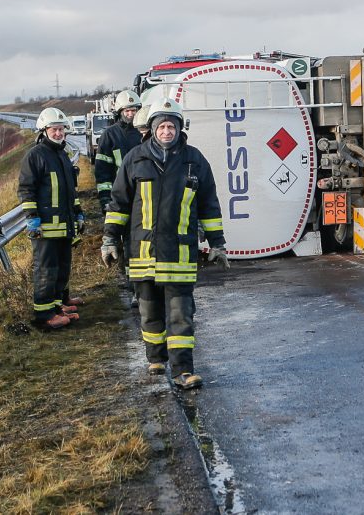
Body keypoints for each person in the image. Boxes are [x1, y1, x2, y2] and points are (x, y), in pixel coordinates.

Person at [101, 97, 229, 390]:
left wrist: (218, 243)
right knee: (149, 311)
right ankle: (156, 358)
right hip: (142, 252)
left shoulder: (195, 161)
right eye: (162, 126)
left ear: (180, 128)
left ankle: (183, 370)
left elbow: (209, 204)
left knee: (181, 314)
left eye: (172, 126)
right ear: (153, 129)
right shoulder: (135, 159)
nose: (167, 131)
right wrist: (109, 238)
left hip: (180, 253)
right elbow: (118, 203)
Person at [18, 107, 85, 330]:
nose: (58, 133)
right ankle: (44, 316)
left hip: (64, 225)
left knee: (61, 268)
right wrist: (32, 218)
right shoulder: (35, 156)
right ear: (44, 131)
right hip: (45, 227)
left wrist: (78, 212)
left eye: (61, 129)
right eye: (54, 129)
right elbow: (27, 189)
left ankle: (56, 307)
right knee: (46, 270)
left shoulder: (62, 155)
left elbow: (69, 191)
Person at [94, 90, 143, 306]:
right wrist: (106, 200)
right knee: (128, 246)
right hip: (122, 199)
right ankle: (134, 288)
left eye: (135, 110)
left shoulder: (146, 132)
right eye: (128, 110)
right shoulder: (110, 136)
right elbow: (103, 173)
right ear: (120, 112)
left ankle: (146, 287)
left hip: (146, 199)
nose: (131, 114)